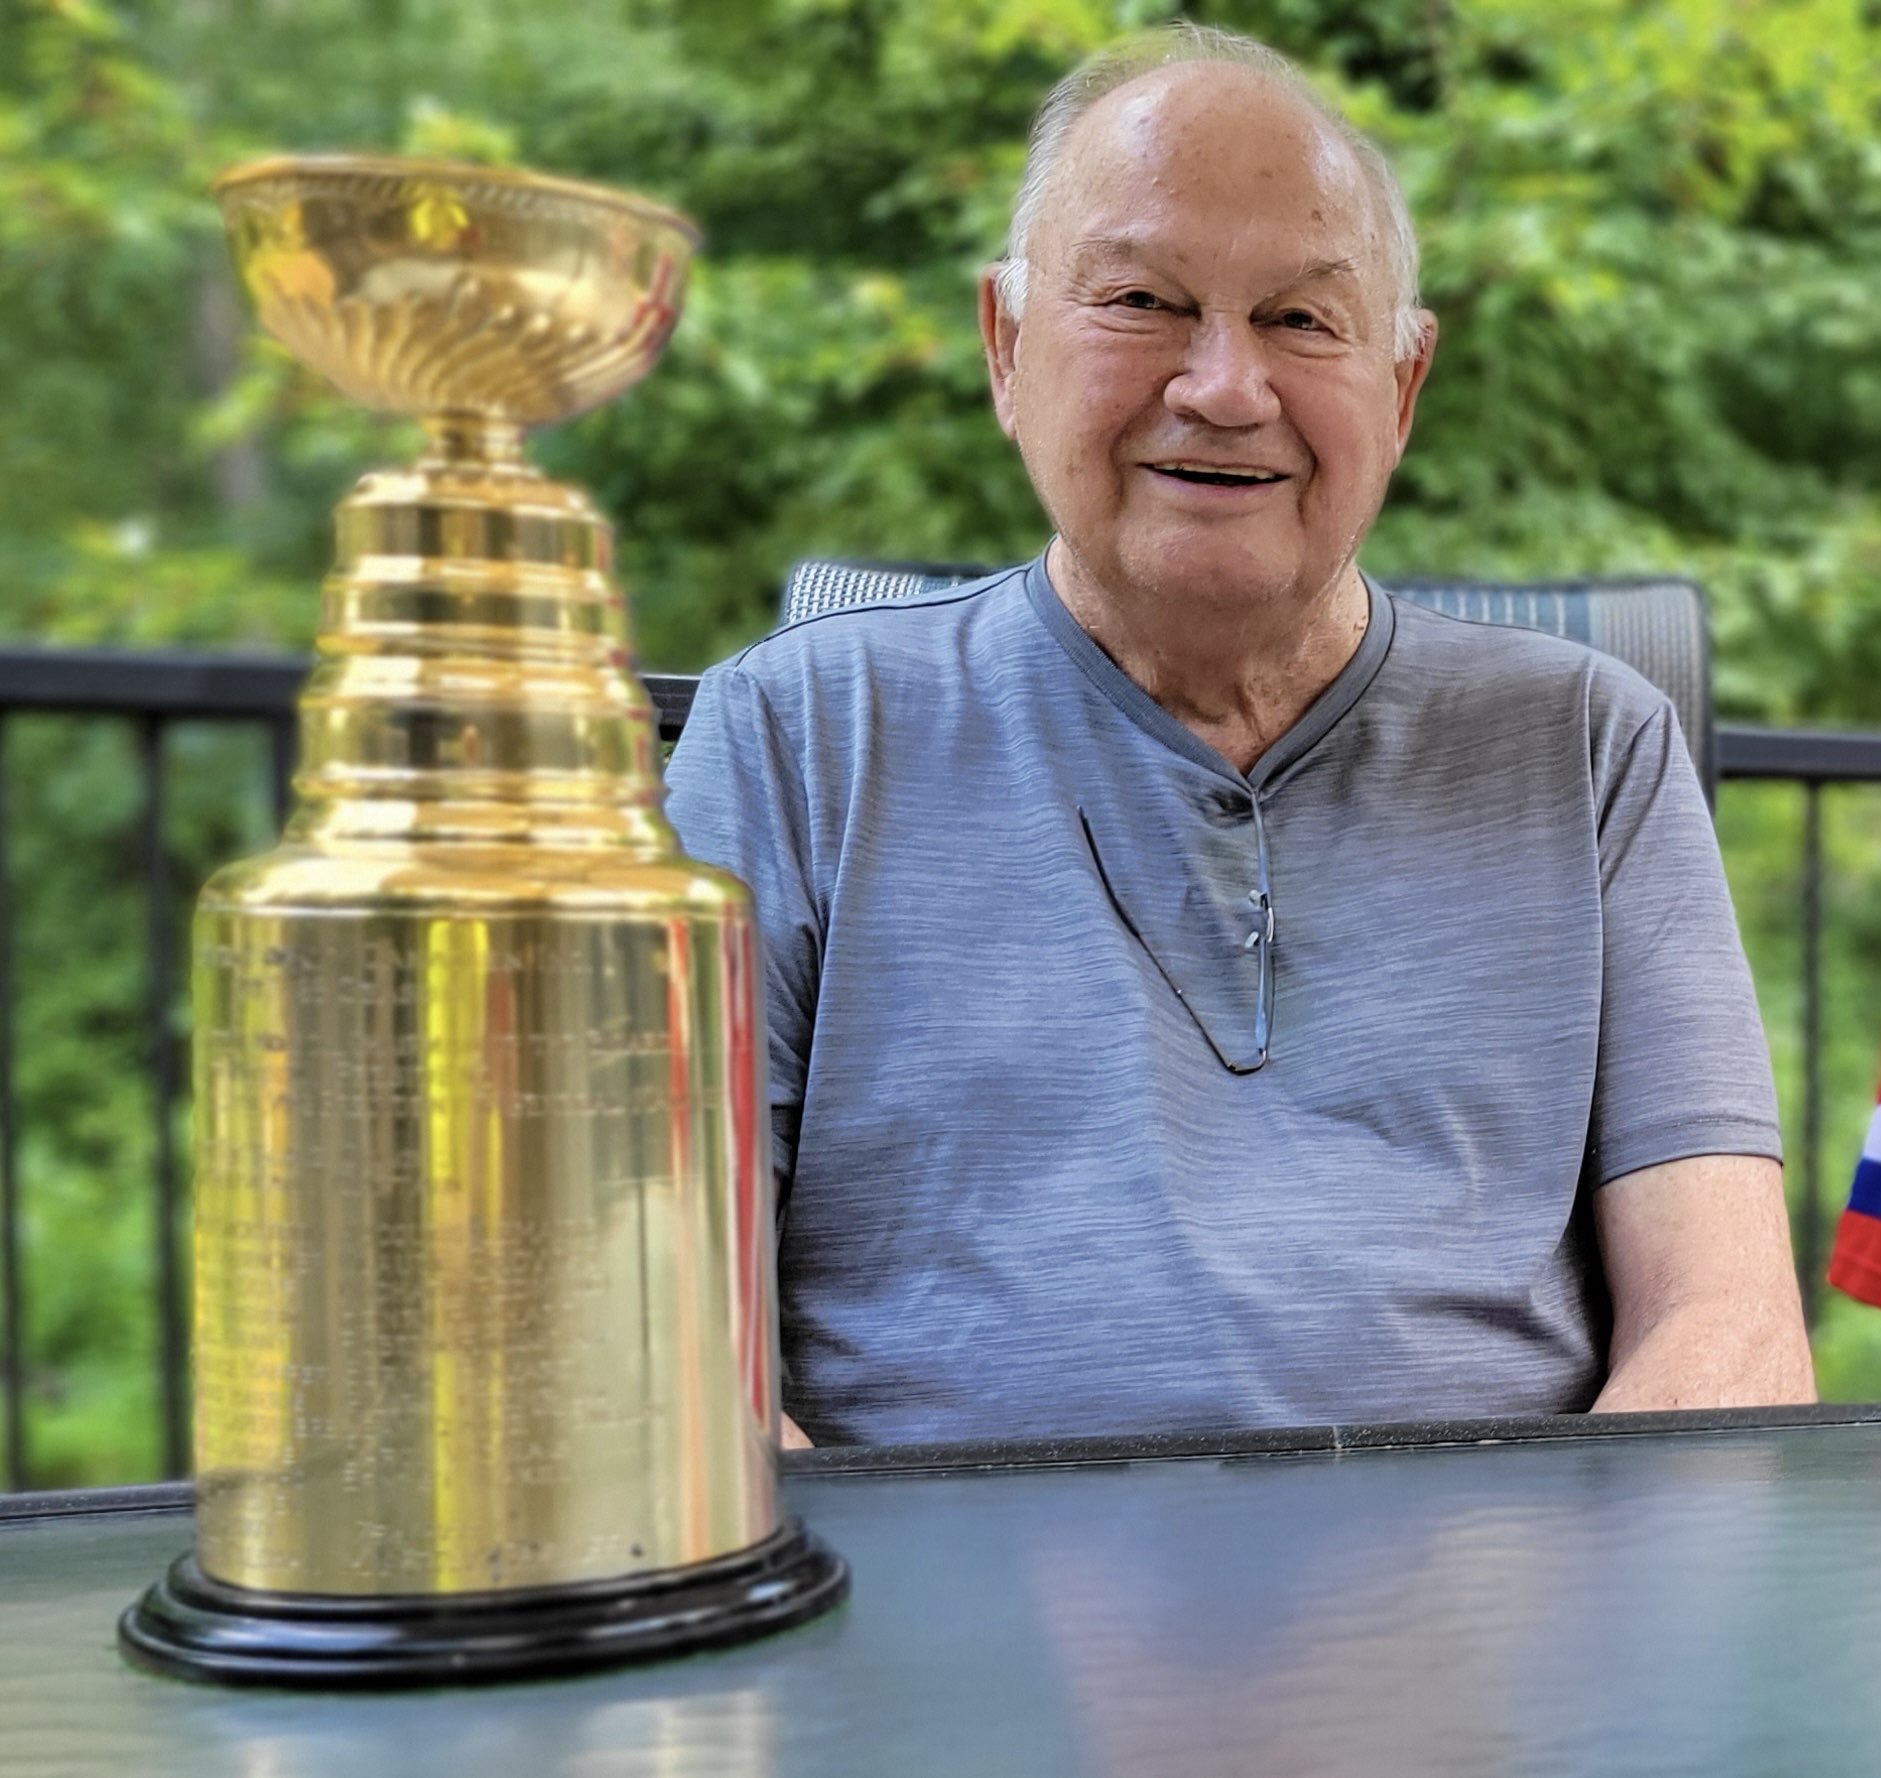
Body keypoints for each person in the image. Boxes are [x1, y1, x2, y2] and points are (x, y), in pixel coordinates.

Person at [664, 23, 1816, 1446]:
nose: (1222, 385)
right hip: (935, 1631)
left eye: (1300, 319)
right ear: (1005, 346)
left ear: (1399, 388)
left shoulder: (1588, 745)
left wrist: (1557, 1632)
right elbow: (664, 1333)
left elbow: (1728, 1324)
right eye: (1143, 298)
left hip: (1485, 1628)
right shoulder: (793, 732)